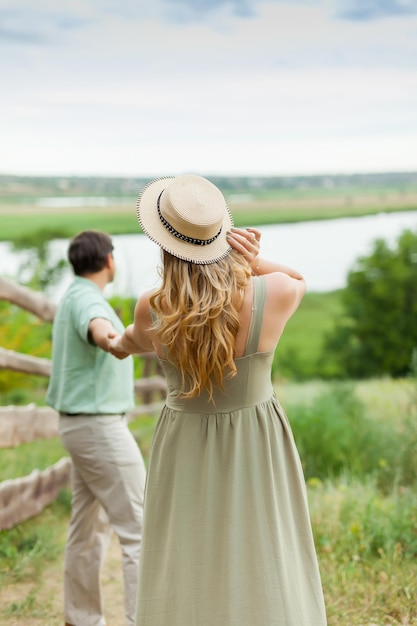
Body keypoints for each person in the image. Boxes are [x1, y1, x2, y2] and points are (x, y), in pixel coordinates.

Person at [109, 175, 327, 625]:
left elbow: (129, 341)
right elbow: (299, 278)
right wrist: (252, 259)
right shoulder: (275, 294)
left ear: (164, 242)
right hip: (255, 440)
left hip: (183, 444)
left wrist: (114, 344)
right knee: (264, 546)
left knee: (186, 554)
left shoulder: (152, 307)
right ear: (222, 237)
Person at [46, 230, 146, 626]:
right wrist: (116, 341)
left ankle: (81, 618)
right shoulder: (88, 299)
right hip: (98, 429)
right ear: (108, 260)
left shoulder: (72, 294)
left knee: (88, 527)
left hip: (80, 427)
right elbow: (100, 329)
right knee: (141, 527)